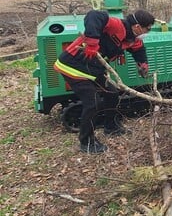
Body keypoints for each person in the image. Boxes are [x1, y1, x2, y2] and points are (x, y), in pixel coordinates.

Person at [53, 9, 155, 154]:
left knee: (112, 93)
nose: (148, 32)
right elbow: (93, 15)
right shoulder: (116, 26)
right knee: (93, 103)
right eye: (147, 29)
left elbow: (138, 49)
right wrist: (92, 43)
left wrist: (143, 64)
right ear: (137, 26)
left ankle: (111, 127)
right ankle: (86, 142)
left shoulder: (132, 38)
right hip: (73, 66)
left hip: (94, 70)